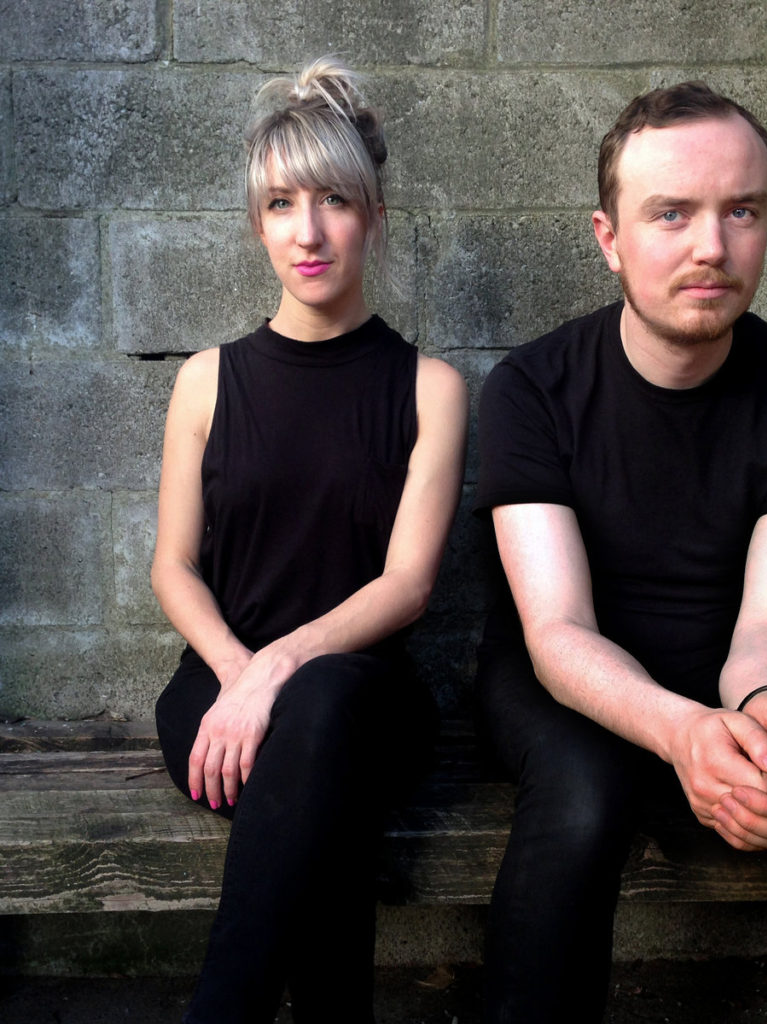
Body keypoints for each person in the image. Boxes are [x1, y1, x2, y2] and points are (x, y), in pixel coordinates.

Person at [474, 82, 767, 1023]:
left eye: (742, 211)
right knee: (584, 792)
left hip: (727, 669)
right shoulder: (530, 389)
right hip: (563, 683)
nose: (712, 247)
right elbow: (557, 629)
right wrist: (678, 731)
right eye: (671, 214)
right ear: (609, 238)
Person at [151, 56, 468, 1024]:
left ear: (373, 215)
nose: (309, 230)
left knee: (321, 711)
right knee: (319, 794)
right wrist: (237, 673)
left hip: (365, 693)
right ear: (259, 222)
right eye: (283, 203)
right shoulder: (206, 380)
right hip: (215, 688)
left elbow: (409, 584)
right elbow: (173, 564)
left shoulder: (431, 389)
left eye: (335, 200)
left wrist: (277, 670)